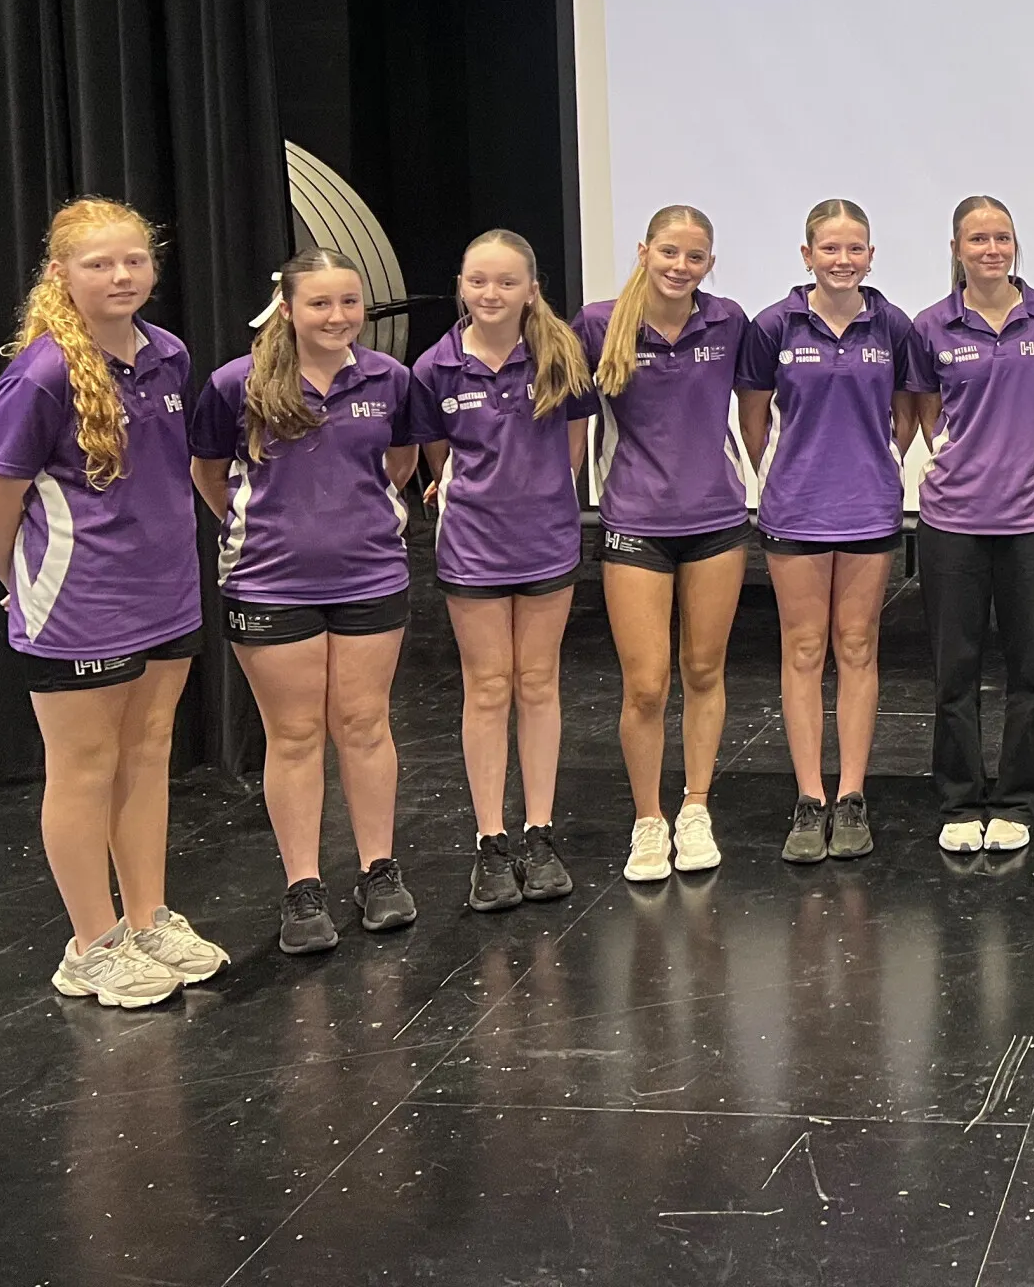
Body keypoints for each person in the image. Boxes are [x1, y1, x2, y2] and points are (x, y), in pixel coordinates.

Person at [0, 199, 229, 1006]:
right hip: (79, 605)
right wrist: (26, 590)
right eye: (98, 264)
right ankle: (91, 943)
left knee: (149, 756)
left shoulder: (170, 354)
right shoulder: (42, 374)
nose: (121, 277)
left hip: (167, 594)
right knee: (83, 770)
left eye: (133, 262)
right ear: (60, 274)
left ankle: (145, 919)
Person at [189, 249, 425, 955]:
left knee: (364, 724)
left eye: (349, 302)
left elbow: (400, 465)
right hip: (269, 584)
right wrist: (255, 527)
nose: (338, 316)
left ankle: (379, 871)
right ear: (287, 309)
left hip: (371, 577)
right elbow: (207, 473)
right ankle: (302, 886)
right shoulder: (237, 383)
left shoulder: (391, 379)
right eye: (320, 303)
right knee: (293, 737)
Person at [413, 230, 596, 912]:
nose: (491, 294)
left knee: (539, 682)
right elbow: (437, 456)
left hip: (547, 543)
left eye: (506, 282)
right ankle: (491, 840)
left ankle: (539, 832)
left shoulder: (560, 355)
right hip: (472, 550)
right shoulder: (435, 368)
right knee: (488, 688)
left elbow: (574, 448)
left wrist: (543, 496)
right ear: (462, 285)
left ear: (531, 288)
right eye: (478, 281)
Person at [738, 199, 923, 863]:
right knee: (804, 651)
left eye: (855, 249)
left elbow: (905, 416)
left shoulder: (893, 325)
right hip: (795, 511)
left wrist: (876, 465)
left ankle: (851, 797)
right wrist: (789, 475)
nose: (842, 260)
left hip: (870, 508)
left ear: (871, 256)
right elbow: (754, 422)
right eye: (830, 249)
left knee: (857, 649)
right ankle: (809, 797)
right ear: (806, 254)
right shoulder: (772, 326)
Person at [575, 204, 752, 883]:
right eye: (670, 252)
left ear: (710, 263)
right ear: (645, 251)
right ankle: (648, 820)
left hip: (715, 520)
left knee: (704, 673)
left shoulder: (729, 320)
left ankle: (696, 806)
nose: (681, 266)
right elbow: (552, 407)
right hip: (635, 523)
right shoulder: (597, 324)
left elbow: (758, 403)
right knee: (646, 686)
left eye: (696, 256)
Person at [908, 195, 1034, 855]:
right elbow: (924, 409)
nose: (992, 249)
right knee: (956, 670)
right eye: (978, 239)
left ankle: (1019, 798)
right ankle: (960, 797)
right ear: (956, 248)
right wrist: (960, 457)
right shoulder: (931, 327)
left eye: (1002, 237)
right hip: (953, 521)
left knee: (1030, 670)